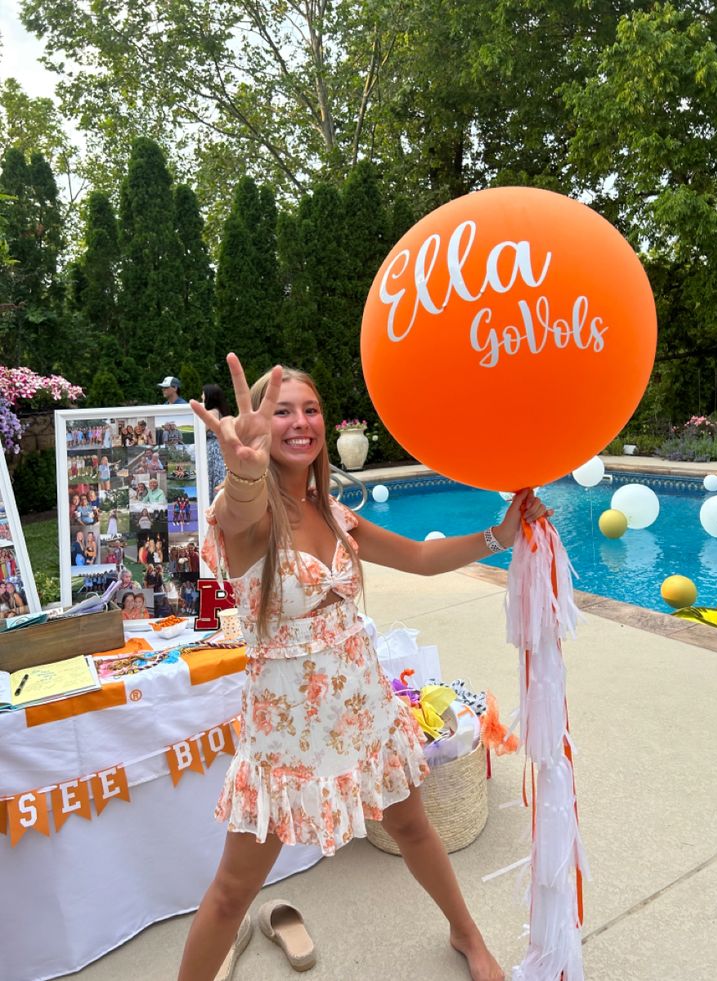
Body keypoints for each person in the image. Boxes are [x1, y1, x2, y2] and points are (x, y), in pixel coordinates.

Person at [178, 354, 551, 981]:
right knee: (231, 889)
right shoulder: (248, 521)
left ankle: (468, 936)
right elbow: (240, 513)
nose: (300, 422)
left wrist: (500, 535)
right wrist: (243, 476)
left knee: (413, 825)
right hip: (287, 739)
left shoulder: (337, 515)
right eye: (281, 412)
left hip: (365, 714)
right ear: (258, 426)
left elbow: (424, 559)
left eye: (311, 410)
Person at [202, 383, 230, 502]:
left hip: (212, 450)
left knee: (212, 477)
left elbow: (201, 431)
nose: (201, 396)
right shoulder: (220, 411)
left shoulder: (211, 413)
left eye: (203, 393)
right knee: (218, 476)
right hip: (219, 449)